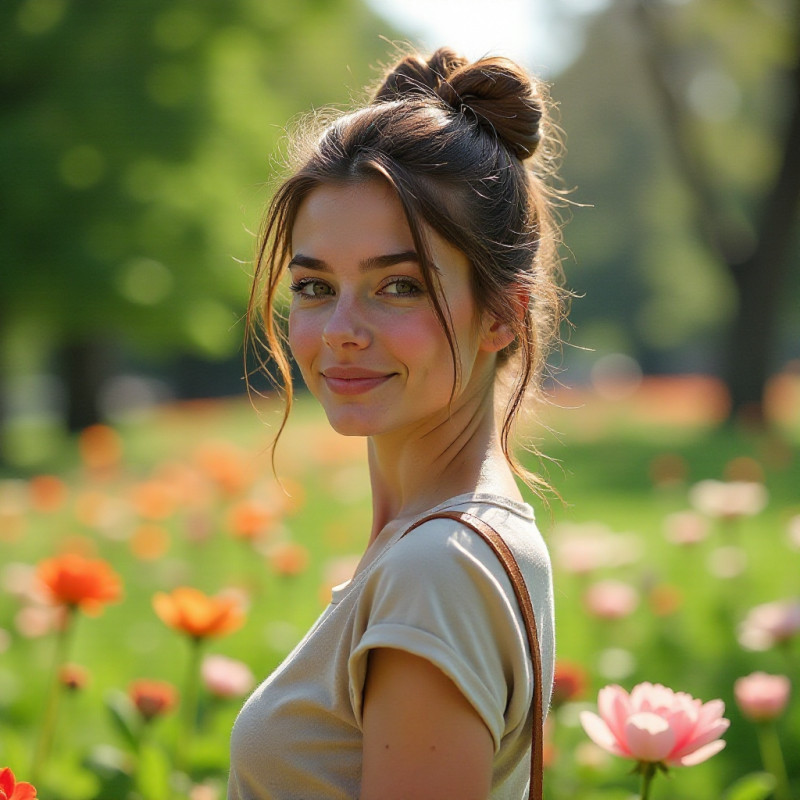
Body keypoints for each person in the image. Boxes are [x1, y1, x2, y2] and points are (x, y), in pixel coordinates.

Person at [229, 45, 566, 800]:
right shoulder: (443, 544)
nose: (341, 329)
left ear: (502, 317)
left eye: (399, 285)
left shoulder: (438, 568)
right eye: (315, 285)